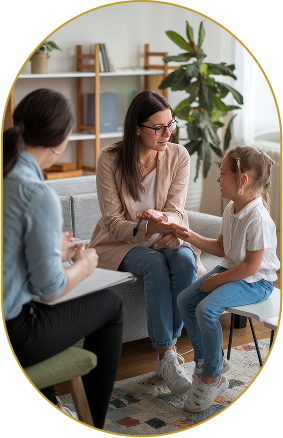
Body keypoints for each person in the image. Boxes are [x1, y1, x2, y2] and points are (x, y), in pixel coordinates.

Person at [3, 88, 123, 429]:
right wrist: (83, 267)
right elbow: (51, 289)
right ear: (61, 139)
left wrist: (51, 252)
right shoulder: (37, 192)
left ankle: (48, 405)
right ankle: (93, 426)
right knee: (111, 305)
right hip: (14, 335)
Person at [88, 90, 206, 395]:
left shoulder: (178, 155)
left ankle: (169, 356)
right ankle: (166, 355)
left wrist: (166, 226)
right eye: (158, 127)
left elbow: (178, 208)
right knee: (154, 263)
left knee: (184, 261)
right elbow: (113, 222)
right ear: (137, 128)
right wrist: (145, 228)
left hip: (167, 234)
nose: (167, 133)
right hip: (121, 243)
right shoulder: (110, 159)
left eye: (171, 124)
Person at [176, 145, 280, 412]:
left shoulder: (258, 218)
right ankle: (210, 361)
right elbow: (223, 249)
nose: (218, 179)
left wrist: (215, 281)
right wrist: (187, 234)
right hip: (234, 268)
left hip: (256, 281)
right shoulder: (232, 208)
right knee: (185, 300)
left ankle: (211, 376)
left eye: (222, 173)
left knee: (206, 309)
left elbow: (251, 267)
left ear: (242, 180)